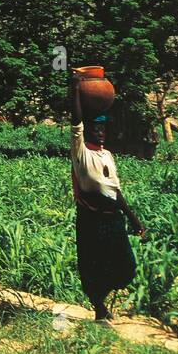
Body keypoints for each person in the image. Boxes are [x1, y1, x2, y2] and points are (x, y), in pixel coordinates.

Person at [69, 74, 145, 322]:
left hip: (113, 218)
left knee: (125, 268)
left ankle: (104, 298)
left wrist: (133, 218)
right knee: (92, 265)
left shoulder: (107, 155)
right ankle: (99, 306)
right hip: (91, 216)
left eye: (103, 129)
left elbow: (115, 190)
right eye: (95, 129)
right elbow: (77, 120)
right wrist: (76, 89)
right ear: (87, 131)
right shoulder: (80, 151)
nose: (101, 133)